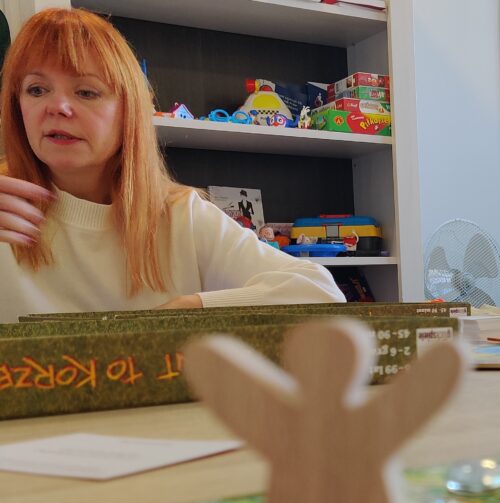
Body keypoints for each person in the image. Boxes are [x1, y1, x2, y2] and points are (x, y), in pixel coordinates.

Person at [0, 8, 343, 324]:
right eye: (36, 89)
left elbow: (321, 293)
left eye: (86, 92)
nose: (57, 107)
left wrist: (190, 309)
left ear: (129, 112)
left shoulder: (181, 216)